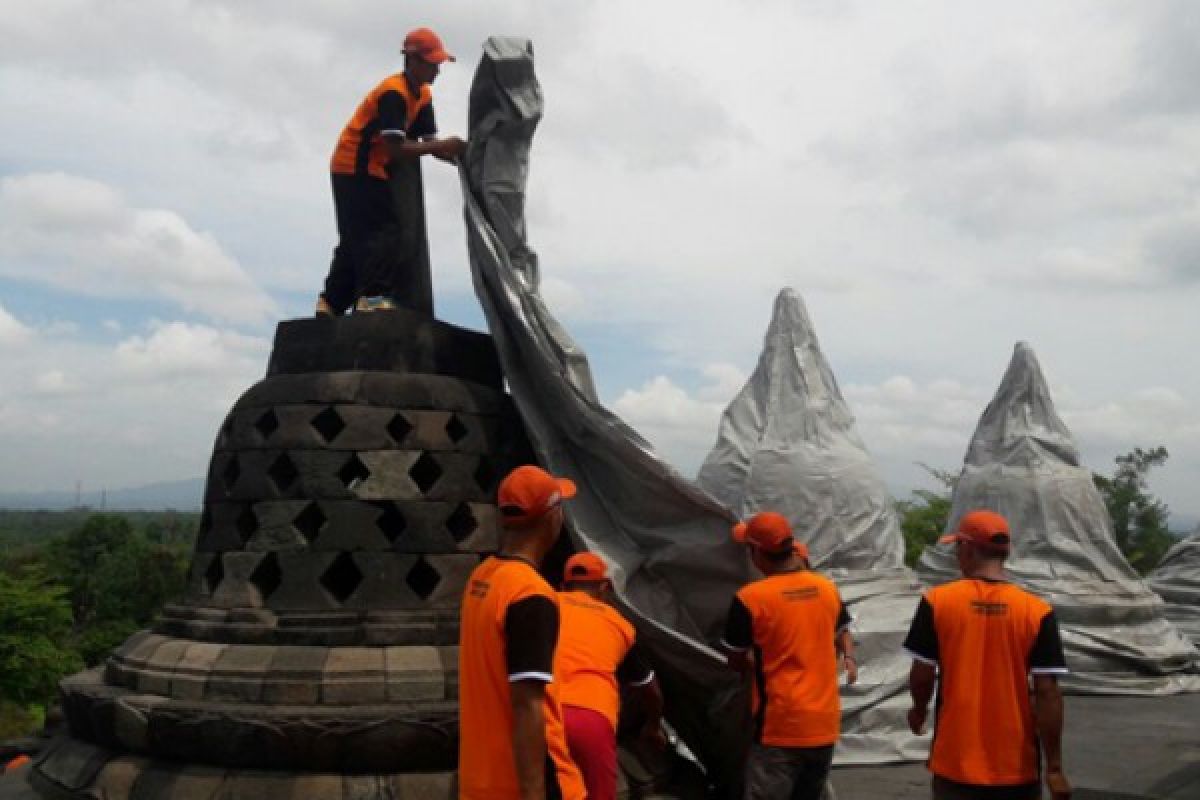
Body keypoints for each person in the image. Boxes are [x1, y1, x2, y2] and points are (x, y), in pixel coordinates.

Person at [903, 510, 1071, 800]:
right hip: (1016, 766)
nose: (956, 555)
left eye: (957, 547)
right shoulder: (1036, 611)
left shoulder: (937, 602)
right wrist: (1054, 767)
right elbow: (1047, 692)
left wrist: (919, 710)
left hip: (956, 762)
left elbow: (923, 672)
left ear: (967, 549)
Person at [317, 26, 467, 316]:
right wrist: (444, 146)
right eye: (432, 64)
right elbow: (396, 148)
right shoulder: (393, 93)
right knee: (384, 230)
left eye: (439, 64)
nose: (437, 70)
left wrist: (459, 157)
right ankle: (371, 298)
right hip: (355, 166)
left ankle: (331, 303)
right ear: (412, 61)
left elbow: (429, 143)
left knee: (355, 236)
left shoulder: (422, 95)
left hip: (370, 167)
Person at [458, 465, 586, 800]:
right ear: (552, 517)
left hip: (482, 779)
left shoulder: (482, 578)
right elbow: (527, 703)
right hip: (527, 782)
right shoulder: (531, 596)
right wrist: (533, 792)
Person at [721, 511, 856, 800]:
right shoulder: (826, 588)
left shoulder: (750, 599)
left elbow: (735, 659)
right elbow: (841, 631)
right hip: (823, 723)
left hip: (779, 724)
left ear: (756, 551)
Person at [555, 551, 665, 800]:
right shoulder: (618, 625)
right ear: (605, 587)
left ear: (562, 586)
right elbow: (650, 689)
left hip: (540, 710)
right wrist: (653, 725)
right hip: (591, 716)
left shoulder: (544, 604)